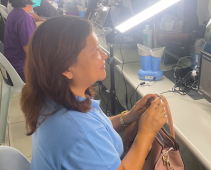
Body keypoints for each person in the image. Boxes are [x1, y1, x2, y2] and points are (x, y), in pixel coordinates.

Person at [20, 16, 167, 170]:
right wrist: (146, 133)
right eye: (95, 51)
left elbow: (97, 127)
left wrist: (129, 116)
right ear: (66, 69)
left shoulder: (52, 97)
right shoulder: (78, 131)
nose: (104, 55)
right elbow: (87, 134)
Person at [4, 0, 39, 83]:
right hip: (23, 70)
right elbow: (30, 50)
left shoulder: (15, 13)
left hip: (14, 67)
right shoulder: (24, 18)